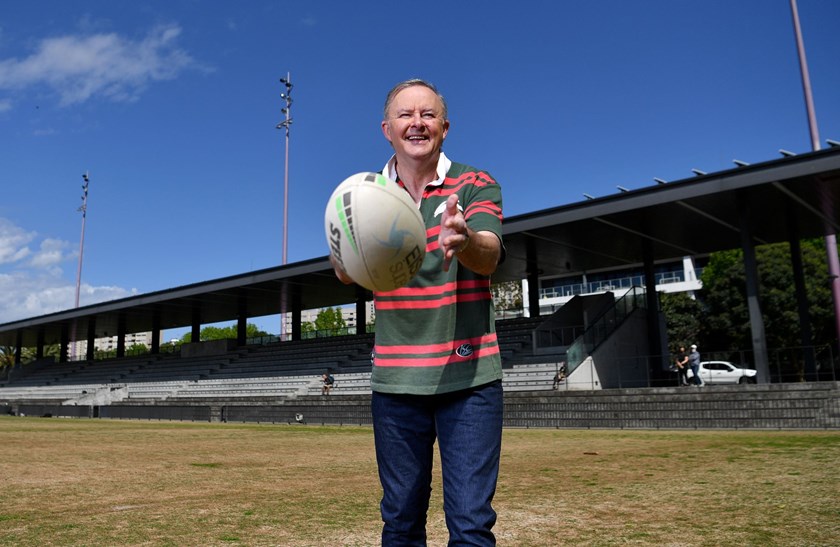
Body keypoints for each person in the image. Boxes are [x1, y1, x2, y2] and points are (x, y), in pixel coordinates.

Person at [330, 79, 504, 545]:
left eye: (428, 115)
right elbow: (346, 273)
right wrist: (346, 249)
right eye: (405, 115)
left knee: (470, 524)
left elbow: (490, 254)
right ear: (386, 128)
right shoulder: (364, 194)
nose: (417, 123)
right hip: (396, 382)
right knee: (401, 522)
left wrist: (464, 240)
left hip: (469, 380)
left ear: (445, 128)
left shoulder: (475, 183)